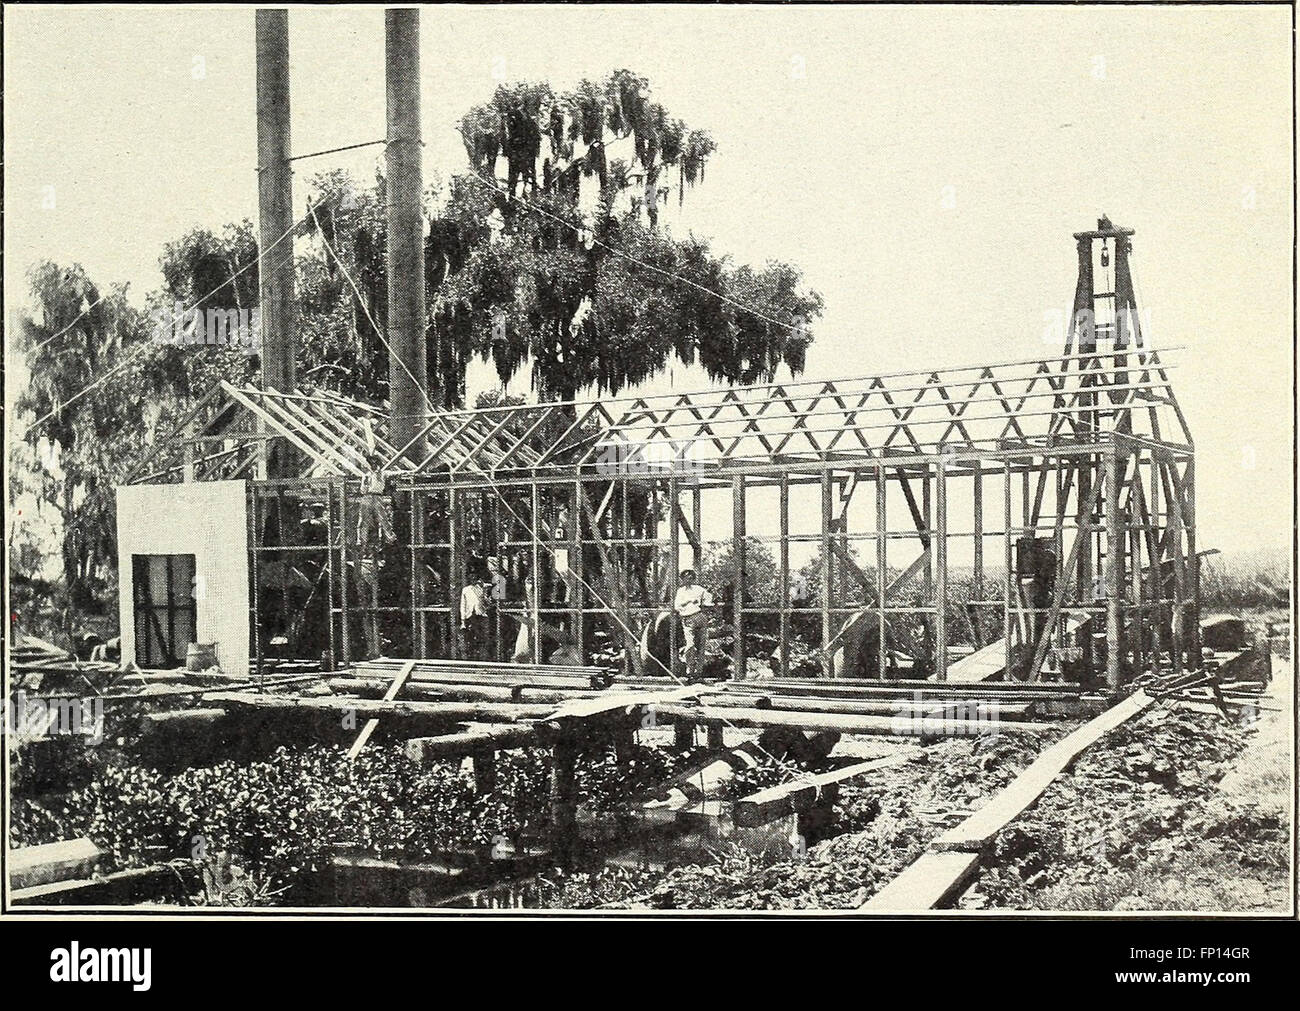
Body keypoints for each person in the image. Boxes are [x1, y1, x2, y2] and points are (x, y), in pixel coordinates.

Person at [673, 568, 714, 681]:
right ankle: (689, 670)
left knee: (701, 645)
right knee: (690, 644)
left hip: (699, 616)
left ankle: (699, 672)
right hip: (688, 618)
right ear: (683, 579)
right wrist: (688, 602)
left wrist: (704, 605)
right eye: (686, 576)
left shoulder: (699, 589)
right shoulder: (680, 591)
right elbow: (677, 606)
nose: (688, 578)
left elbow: (709, 600)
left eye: (690, 576)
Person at [460, 573, 492, 660]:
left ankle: (482, 657)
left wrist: (484, 592)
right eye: (471, 578)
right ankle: (471, 656)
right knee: (471, 637)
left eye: (475, 578)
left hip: (481, 615)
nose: (473, 580)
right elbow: (463, 605)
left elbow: (487, 603)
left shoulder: (481, 589)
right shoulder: (465, 590)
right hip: (470, 616)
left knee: (482, 637)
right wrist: (463, 620)